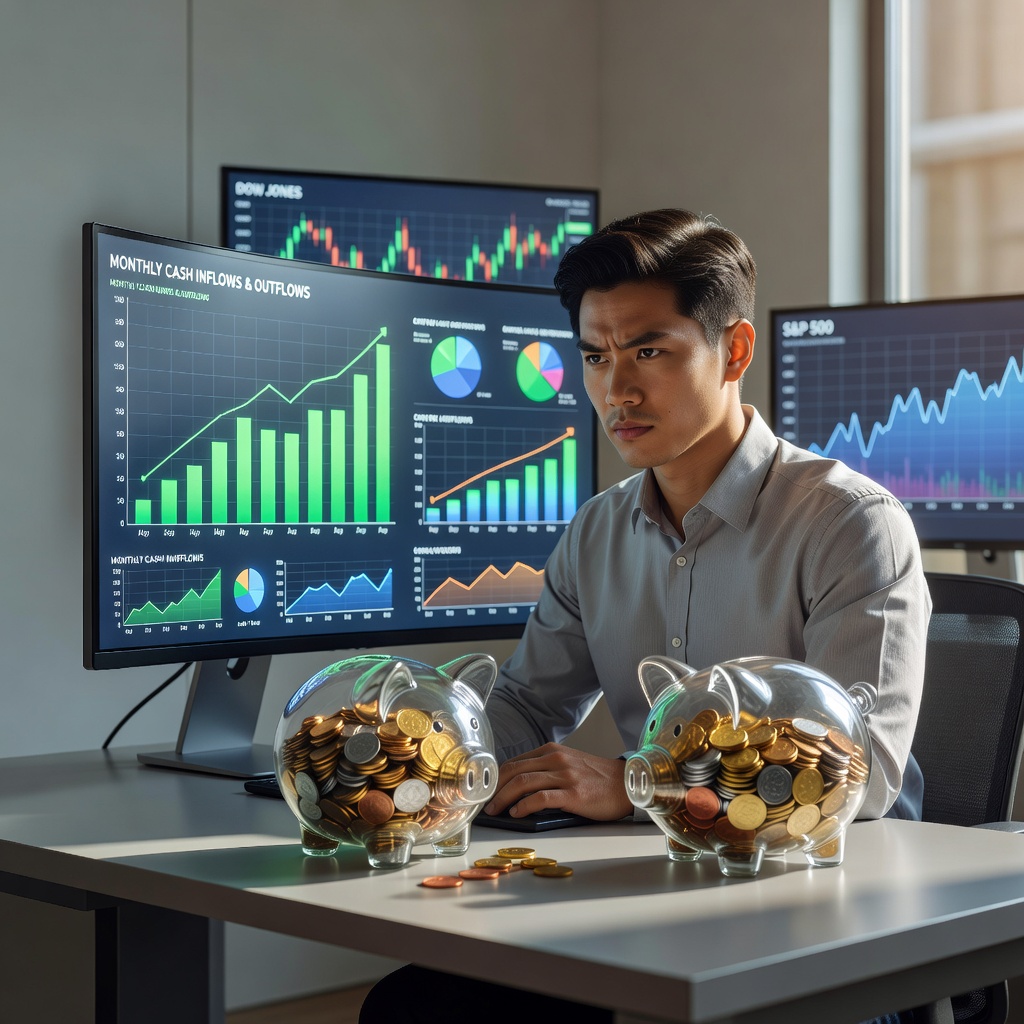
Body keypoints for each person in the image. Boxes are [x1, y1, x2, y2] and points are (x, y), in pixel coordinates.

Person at [359, 209, 931, 1024]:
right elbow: (526, 704)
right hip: (656, 893)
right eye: (595, 356)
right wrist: (405, 756)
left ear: (733, 351)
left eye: (650, 352)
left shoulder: (849, 524)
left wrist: (639, 782)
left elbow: (858, 774)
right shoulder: (596, 529)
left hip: (822, 912)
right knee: (416, 1007)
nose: (614, 389)